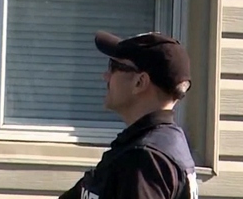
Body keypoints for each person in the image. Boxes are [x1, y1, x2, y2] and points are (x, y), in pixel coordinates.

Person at [59, 31, 199, 199]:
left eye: (114, 67)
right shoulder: (151, 145)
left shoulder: (144, 159)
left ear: (140, 82)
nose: (105, 76)